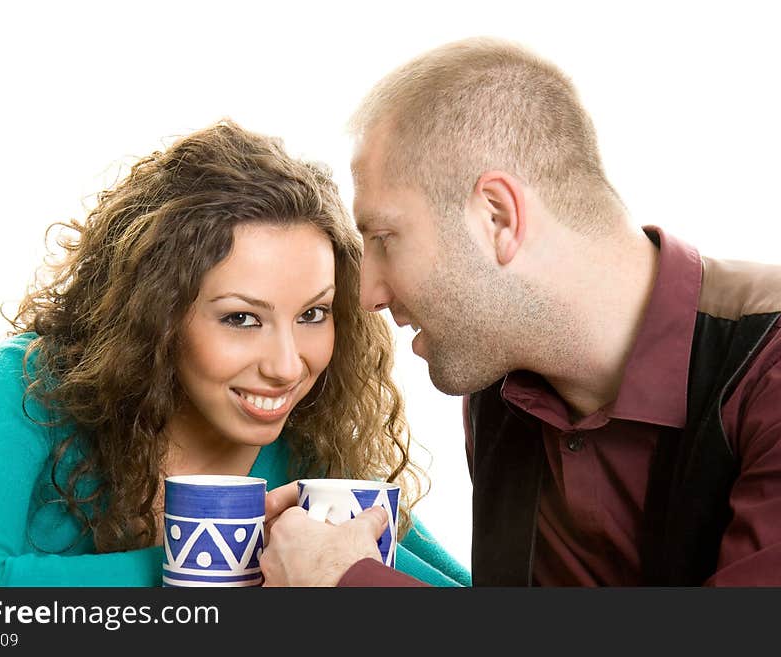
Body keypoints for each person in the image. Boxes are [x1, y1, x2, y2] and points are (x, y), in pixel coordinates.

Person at [260, 37, 781, 587]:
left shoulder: (767, 366)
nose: (366, 295)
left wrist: (347, 586)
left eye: (385, 237)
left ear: (497, 217)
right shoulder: (499, 389)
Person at [0, 120, 470, 587]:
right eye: (241, 318)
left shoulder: (314, 463)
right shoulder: (28, 384)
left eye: (313, 314)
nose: (288, 365)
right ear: (158, 316)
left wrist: (350, 572)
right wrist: (238, 559)